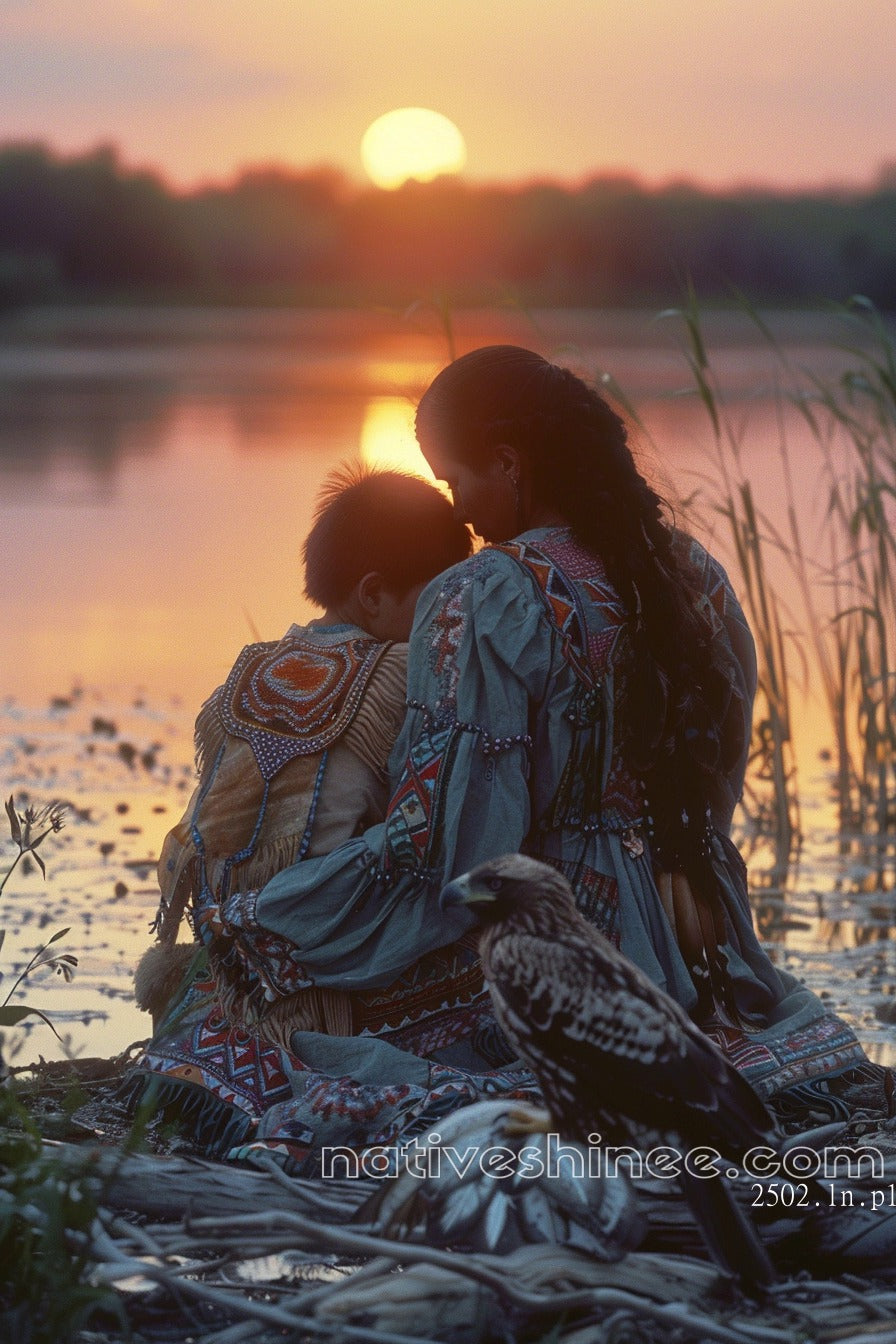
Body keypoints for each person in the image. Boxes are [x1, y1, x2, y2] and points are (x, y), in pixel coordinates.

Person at [130, 348, 891, 1170]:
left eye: (457, 480)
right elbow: (715, 791)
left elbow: (449, 851)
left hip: (554, 948)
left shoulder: (486, 595)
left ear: (508, 463)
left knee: (232, 985)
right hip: (702, 936)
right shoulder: (696, 575)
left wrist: (273, 915)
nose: (459, 510)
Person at [125, 464, 473, 1153]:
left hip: (233, 966)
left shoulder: (251, 667)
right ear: (374, 595)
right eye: (435, 602)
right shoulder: (402, 674)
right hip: (326, 974)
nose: (446, 622)